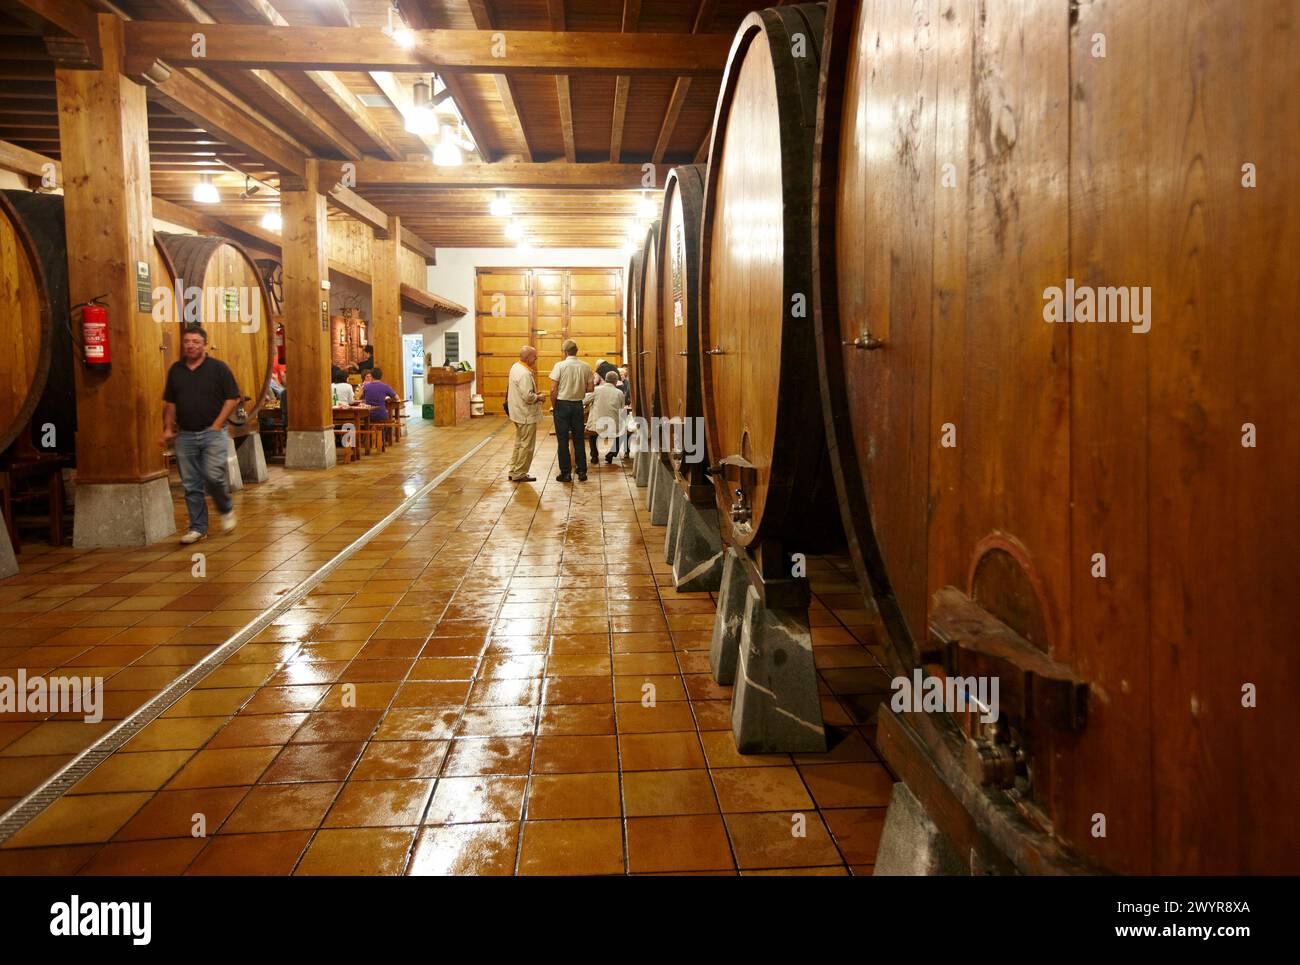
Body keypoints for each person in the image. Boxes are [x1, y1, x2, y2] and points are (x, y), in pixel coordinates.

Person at [161, 324, 241, 544]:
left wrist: (217, 424)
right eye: (187, 342)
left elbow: (233, 398)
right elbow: (170, 402)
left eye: (196, 342)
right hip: (185, 435)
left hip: (212, 432)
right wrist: (168, 428)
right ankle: (198, 528)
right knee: (191, 484)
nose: (191, 345)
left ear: (205, 345)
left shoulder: (218, 368)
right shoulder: (176, 370)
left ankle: (225, 509)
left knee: (212, 475)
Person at [549, 339, 594, 482]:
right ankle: (582, 472)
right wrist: (578, 388)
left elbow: (552, 389)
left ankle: (566, 473)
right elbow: (591, 388)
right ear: (577, 351)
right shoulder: (586, 366)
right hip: (577, 405)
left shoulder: (559, 366)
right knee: (579, 439)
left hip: (562, 404)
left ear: (565, 352)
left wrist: (555, 405)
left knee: (562, 440)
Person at [506, 345, 543, 482]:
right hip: (525, 414)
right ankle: (520, 473)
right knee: (527, 445)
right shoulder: (524, 373)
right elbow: (528, 397)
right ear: (527, 358)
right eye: (534, 356)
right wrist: (538, 397)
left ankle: (514, 470)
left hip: (517, 411)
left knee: (519, 443)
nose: (536, 358)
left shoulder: (516, 366)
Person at [586, 371, 626, 466]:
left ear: (605, 380)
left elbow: (584, 401)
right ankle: (611, 454)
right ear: (616, 382)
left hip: (596, 426)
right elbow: (622, 408)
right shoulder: (619, 393)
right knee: (623, 432)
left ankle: (594, 455)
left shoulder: (596, 390)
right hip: (613, 426)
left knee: (592, 434)